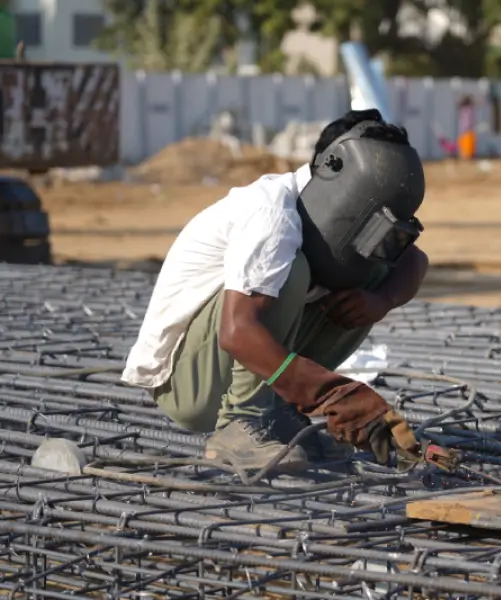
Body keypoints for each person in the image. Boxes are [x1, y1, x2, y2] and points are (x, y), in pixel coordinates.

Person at [121, 109, 430, 474]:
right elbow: (237, 330)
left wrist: (380, 301)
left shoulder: (339, 222)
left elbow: (414, 261)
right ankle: (242, 422)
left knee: (374, 268)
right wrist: (331, 393)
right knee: (292, 271)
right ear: (333, 172)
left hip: (241, 365)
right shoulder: (271, 214)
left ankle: (277, 413)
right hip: (187, 383)